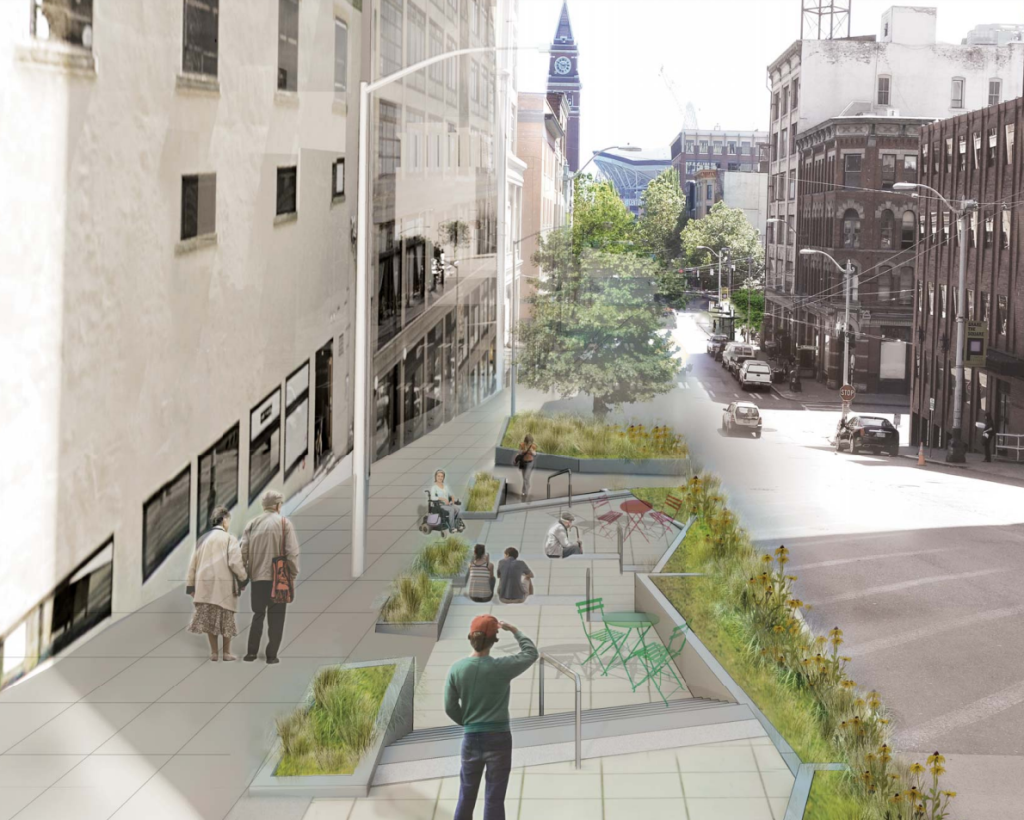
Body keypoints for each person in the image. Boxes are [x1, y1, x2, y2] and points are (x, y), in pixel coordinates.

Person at [445, 615, 538, 820]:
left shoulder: (456, 669)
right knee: (494, 799)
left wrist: (468, 723)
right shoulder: (501, 667)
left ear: (470, 637)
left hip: (471, 739)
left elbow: (449, 707)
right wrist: (514, 630)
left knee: (466, 797)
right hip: (499, 739)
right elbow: (531, 653)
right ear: (494, 640)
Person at [240, 489, 300, 664]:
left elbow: (242, 553)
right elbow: (292, 553)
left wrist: (243, 575)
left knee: (258, 614)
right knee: (277, 618)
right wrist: (293, 574)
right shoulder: (284, 524)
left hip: (257, 578)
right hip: (278, 579)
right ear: (277, 505)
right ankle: (271, 656)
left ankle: (251, 653)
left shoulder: (252, 524)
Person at [186, 507, 248, 661]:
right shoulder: (229, 539)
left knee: (209, 618)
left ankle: (214, 652)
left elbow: (193, 564)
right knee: (226, 617)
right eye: (229, 520)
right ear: (224, 520)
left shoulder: (202, 539)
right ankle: (226, 653)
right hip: (223, 585)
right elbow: (235, 562)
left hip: (204, 584)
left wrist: (191, 585)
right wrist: (243, 578)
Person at [515, 434, 538, 502]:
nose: (528, 444)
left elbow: (535, 454)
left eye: (530, 442)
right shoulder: (522, 445)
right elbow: (519, 452)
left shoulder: (533, 446)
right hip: (523, 462)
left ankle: (524, 492)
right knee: (524, 478)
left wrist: (531, 451)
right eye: (527, 442)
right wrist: (523, 451)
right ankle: (528, 485)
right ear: (525, 441)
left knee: (525, 477)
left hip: (530, 463)